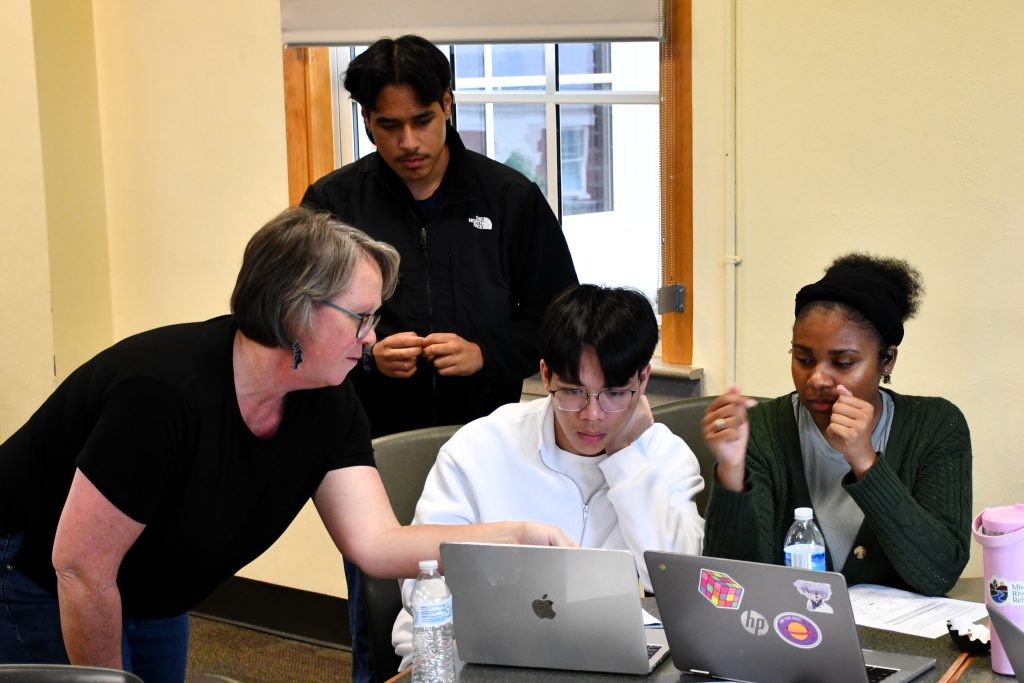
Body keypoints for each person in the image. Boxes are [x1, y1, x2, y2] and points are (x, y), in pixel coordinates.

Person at [0, 207, 572, 683]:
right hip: (31, 572)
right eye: (362, 318)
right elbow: (79, 569)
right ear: (295, 307)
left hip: (151, 582)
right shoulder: (162, 395)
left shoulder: (325, 398)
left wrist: (515, 536)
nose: (373, 338)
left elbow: (376, 543)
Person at [301, 34, 578, 680]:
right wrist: (368, 355)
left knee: (492, 609)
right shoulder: (333, 206)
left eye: (422, 121)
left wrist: (487, 353)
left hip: (487, 449)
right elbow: (302, 327)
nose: (408, 145)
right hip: (369, 447)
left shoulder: (509, 198)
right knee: (384, 612)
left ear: (448, 105)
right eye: (387, 126)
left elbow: (560, 321)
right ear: (365, 120)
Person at [390, 284, 707, 669]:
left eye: (614, 394)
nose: (592, 415)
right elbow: (421, 581)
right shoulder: (480, 446)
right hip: (468, 658)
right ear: (545, 374)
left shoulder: (665, 456)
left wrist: (623, 456)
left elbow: (676, 585)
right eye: (573, 392)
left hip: (606, 663)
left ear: (642, 380)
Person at [701, 253, 971, 596]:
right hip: (792, 637)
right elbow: (731, 586)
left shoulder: (937, 426)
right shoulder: (761, 431)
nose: (817, 379)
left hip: (901, 643)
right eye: (803, 359)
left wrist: (864, 461)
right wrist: (732, 470)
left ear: (887, 359)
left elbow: (939, 572)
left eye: (843, 363)